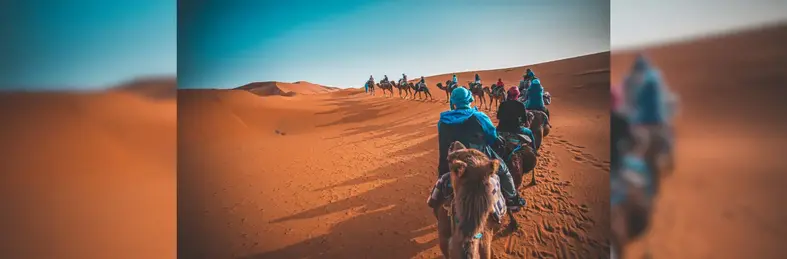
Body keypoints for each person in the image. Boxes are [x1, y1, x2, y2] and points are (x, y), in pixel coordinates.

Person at [437, 87, 527, 210]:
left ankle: (440, 198)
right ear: (470, 99)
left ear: (453, 102)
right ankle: (512, 200)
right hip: (479, 159)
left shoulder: (443, 121)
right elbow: (492, 138)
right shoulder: (479, 117)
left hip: (452, 160)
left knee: (443, 179)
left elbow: (442, 144)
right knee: (504, 170)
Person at [496, 87, 538, 154]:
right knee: (529, 132)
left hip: (501, 129)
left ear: (508, 94)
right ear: (518, 95)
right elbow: (525, 120)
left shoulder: (502, 104)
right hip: (516, 129)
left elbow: (498, 117)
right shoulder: (520, 105)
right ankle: (534, 151)